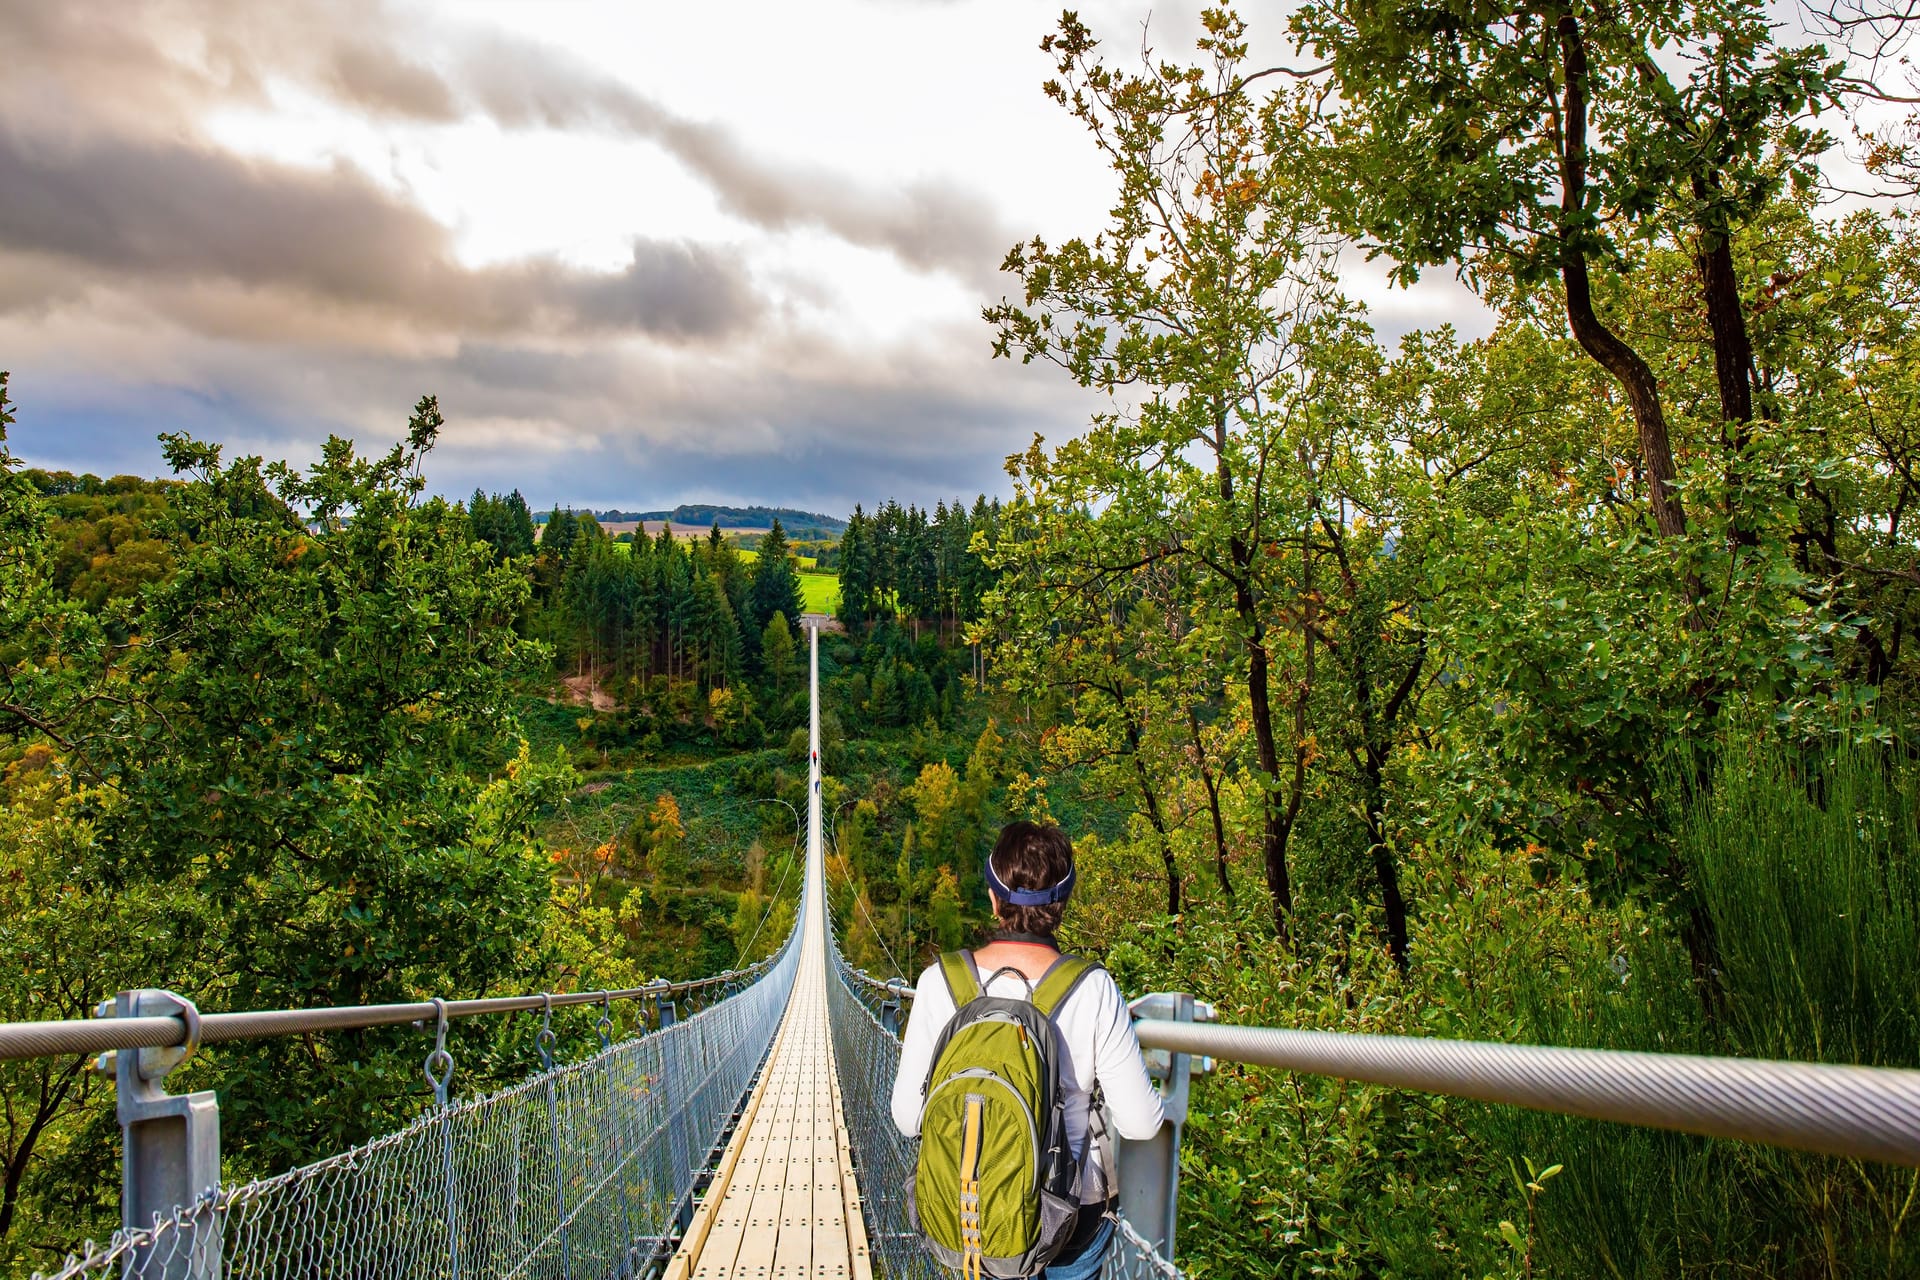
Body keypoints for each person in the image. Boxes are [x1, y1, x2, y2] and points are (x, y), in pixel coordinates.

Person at [891, 820, 1165, 1279]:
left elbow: (906, 1117)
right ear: (1062, 902)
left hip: (969, 1210)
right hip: (1067, 1222)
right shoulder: (1093, 989)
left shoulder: (940, 983)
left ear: (994, 897)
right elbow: (1139, 1124)